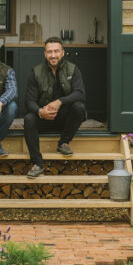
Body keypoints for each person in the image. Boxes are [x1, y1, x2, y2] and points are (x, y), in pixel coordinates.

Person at [23, 36, 86, 178]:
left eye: (56, 51)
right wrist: (40, 112)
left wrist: (59, 102)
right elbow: (29, 101)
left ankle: (63, 143)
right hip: (44, 119)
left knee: (79, 107)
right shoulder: (36, 72)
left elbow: (80, 93)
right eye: (49, 52)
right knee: (28, 118)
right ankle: (37, 163)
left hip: (65, 120)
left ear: (62, 52)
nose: (53, 55)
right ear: (45, 54)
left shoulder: (73, 69)